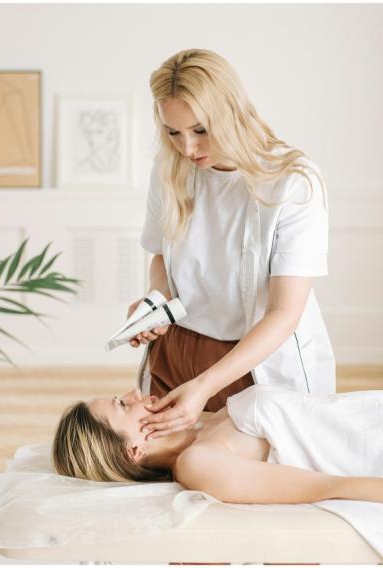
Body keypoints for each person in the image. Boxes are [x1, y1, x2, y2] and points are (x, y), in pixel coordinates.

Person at [51, 385, 383, 563]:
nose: (135, 394)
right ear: (132, 451)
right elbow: (333, 487)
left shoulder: (200, 421)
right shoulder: (200, 464)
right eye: (123, 405)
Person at [129, 47, 334, 442]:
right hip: (176, 350)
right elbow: (161, 257)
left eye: (200, 130)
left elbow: (284, 313)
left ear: (232, 112)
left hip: (251, 364)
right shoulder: (170, 170)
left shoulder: (293, 181)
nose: (187, 148)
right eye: (173, 132)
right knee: (159, 478)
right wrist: (155, 305)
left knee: (248, 481)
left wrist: (206, 385)